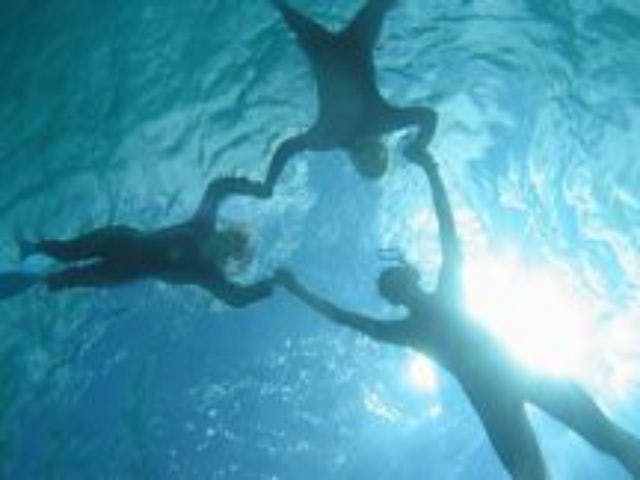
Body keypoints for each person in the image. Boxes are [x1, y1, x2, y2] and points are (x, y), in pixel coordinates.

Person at [275, 151, 640, 479]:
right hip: (492, 402)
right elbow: (345, 318)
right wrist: (296, 289)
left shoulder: (448, 291)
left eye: (396, 280)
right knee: (532, 475)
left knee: (609, 437)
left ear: (412, 275)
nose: (397, 288)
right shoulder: (408, 330)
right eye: (391, 289)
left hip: (520, 372)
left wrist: (430, 169)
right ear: (395, 299)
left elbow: (447, 228)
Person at [5, 177, 274, 308]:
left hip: (123, 272)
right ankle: (30, 249)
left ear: (228, 259)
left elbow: (236, 298)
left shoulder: (208, 274)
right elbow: (217, 189)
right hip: (121, 239)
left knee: (66, 278)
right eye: (226, 235)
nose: (222, 240)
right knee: (69, 251)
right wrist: (254, 188)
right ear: (223, 230)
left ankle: (29, 281)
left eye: (228, 247)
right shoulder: (202, 226)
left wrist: (268, 287)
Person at [262, 0, 437, 194]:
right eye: (379, 158)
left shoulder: (330, 137)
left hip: (324, 50)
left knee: (282, 7)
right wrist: (419, 146)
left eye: (366, 164)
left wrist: (269, 184)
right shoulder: (380, 122)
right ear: (383, 150)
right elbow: (428, 116)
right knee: (379, 4)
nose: (370, 157)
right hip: (356, 44)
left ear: (355, 163)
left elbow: (287, 148)